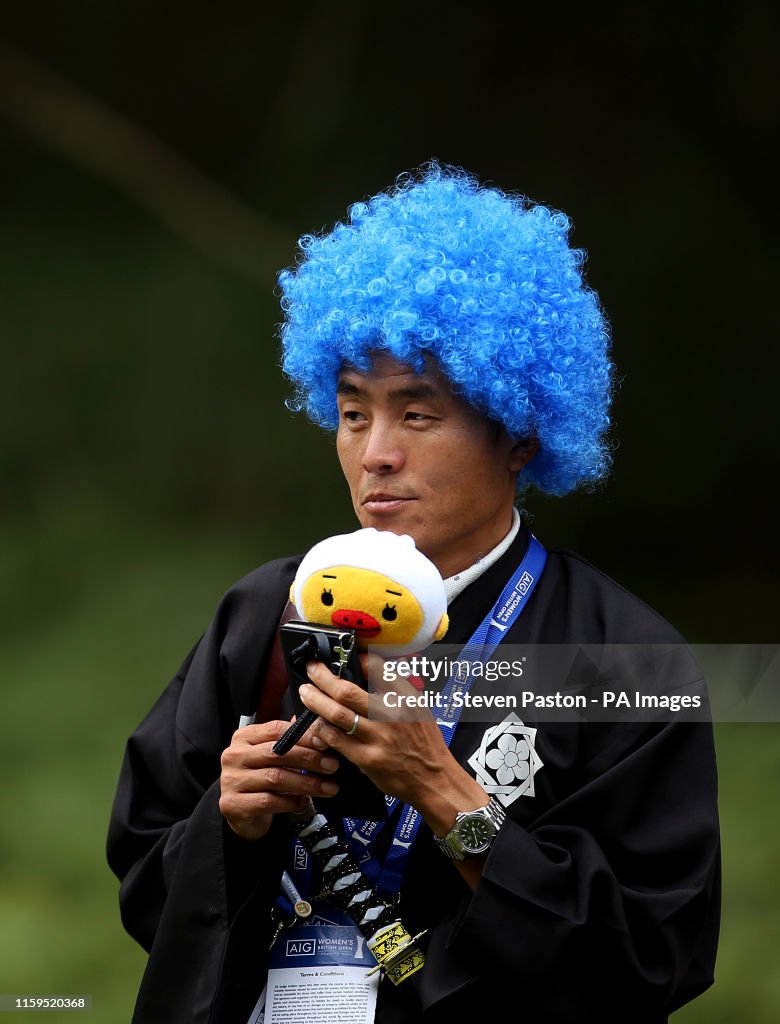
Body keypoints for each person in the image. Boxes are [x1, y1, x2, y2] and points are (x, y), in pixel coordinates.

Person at [107, 162, 720, 1024]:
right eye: (353, 413)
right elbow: (146, 884)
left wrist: (449, 800)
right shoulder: (262, 615)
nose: (374, 454)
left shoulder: (622, 657)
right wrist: (229, 823)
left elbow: (650, 961)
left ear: (519, 431)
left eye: (417, 414)